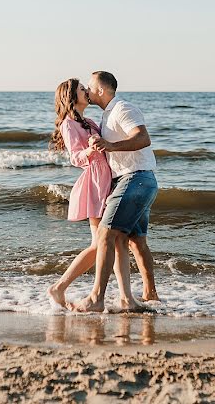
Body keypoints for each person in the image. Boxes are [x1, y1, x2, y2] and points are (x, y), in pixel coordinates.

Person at [46, 78, 144, 311]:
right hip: (94, 183)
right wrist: (91, 149)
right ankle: (59, 288)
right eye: (82, 89)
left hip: (108, 179)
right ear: (71, 97)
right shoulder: (68, 124)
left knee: (119, 241)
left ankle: (126, 298)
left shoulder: (89, 121)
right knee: (100, 243)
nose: (87, 91)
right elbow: (75, 158)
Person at [71, 71, 159, 313]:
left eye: (89, 87)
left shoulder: (122, 108)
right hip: (139, 179)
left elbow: (143, 137)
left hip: (135, 179)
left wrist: (110, 146)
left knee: (105, 236)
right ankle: (150, 295)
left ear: (100, 89)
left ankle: (96, 298)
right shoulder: (107, 115)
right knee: (136, 241)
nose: (86, 91)